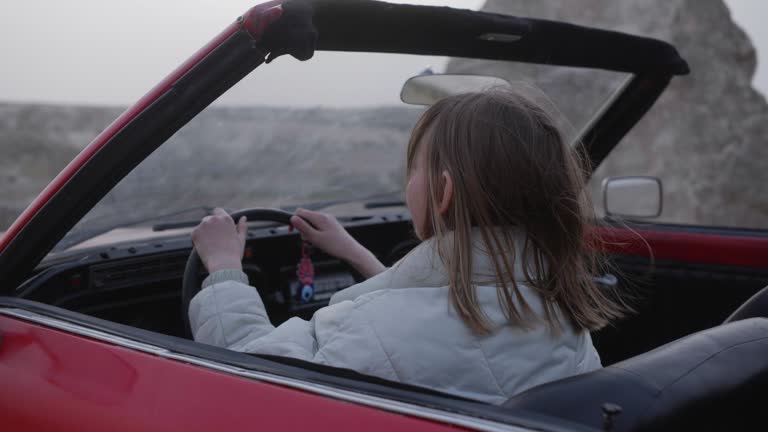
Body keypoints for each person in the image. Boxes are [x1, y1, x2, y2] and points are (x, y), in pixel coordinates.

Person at [188, 89, 625, 405]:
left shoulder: (364, 330)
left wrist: (225, 270)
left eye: (414, 168)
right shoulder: (561, 311)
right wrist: (356, 253)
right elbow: (440, 314)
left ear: (444, 191)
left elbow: (246, 378)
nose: (406, 182)